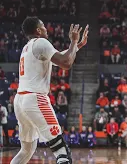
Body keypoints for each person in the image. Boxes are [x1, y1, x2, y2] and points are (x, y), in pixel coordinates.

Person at [11, 16, 89, 164]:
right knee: (61, 150)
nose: (47, 29)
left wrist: (77, 46)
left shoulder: (27, 47)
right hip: (35, 99)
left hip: (20, 100)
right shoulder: (41, 42)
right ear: (39, 30)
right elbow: (66, 62)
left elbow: (62, 58)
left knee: (26, 150)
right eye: (44, 26)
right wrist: (73, 40)